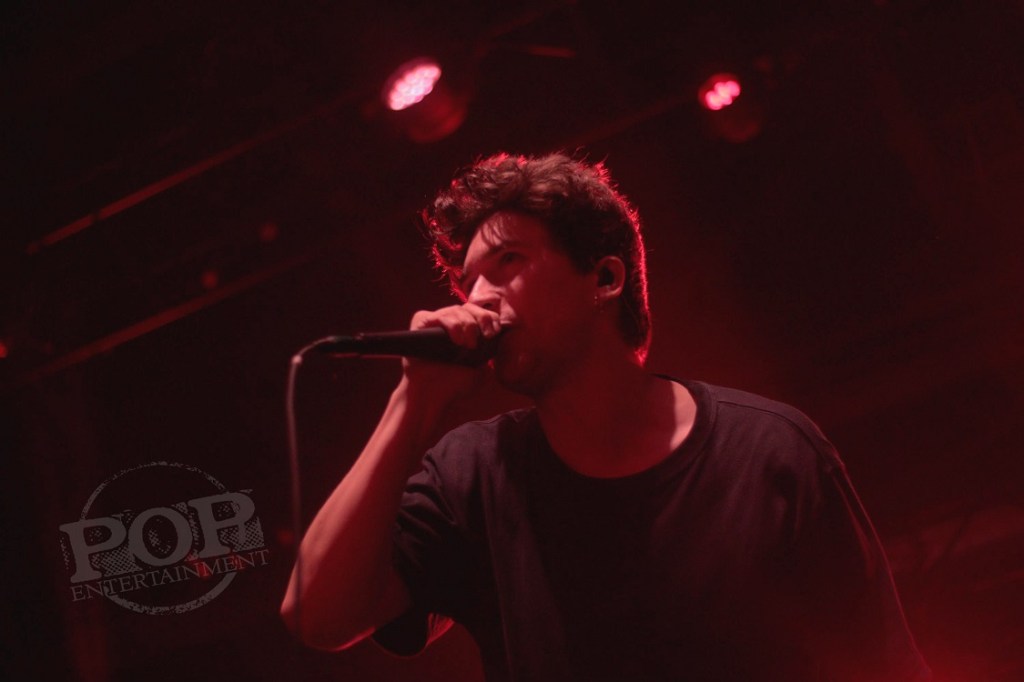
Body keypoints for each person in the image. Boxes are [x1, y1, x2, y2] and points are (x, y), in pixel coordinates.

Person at [281, 152, 931, 681]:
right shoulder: (473, 474)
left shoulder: (770, 450)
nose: (479, 299)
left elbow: (882, 664)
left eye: (508, 263)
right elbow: (318, 616)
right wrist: (413, 402)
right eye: (467, 283)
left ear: (606, 278)